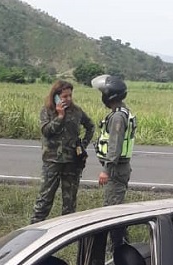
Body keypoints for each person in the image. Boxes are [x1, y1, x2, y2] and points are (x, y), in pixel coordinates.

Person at [30, 80, 95, 223]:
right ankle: (35, 226)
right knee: (45, 198)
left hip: (72, 161)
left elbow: (90, 126)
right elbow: (46, 131)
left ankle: (66, 230)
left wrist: (83, 145)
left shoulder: (77, 111)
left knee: (70, 200)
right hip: (52, 161)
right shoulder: (47, 111)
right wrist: (59, 117)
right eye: (65, 96)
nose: (69, 99)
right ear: (56, 96)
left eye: (70, 95)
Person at [92, 74, 136, 208]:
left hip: (116, 169)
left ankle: (117, 231)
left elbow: (115, 144)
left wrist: (106, 170)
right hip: (119, 168)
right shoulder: (122, 112)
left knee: (111, 208)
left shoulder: (117, 117)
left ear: (110, 96)